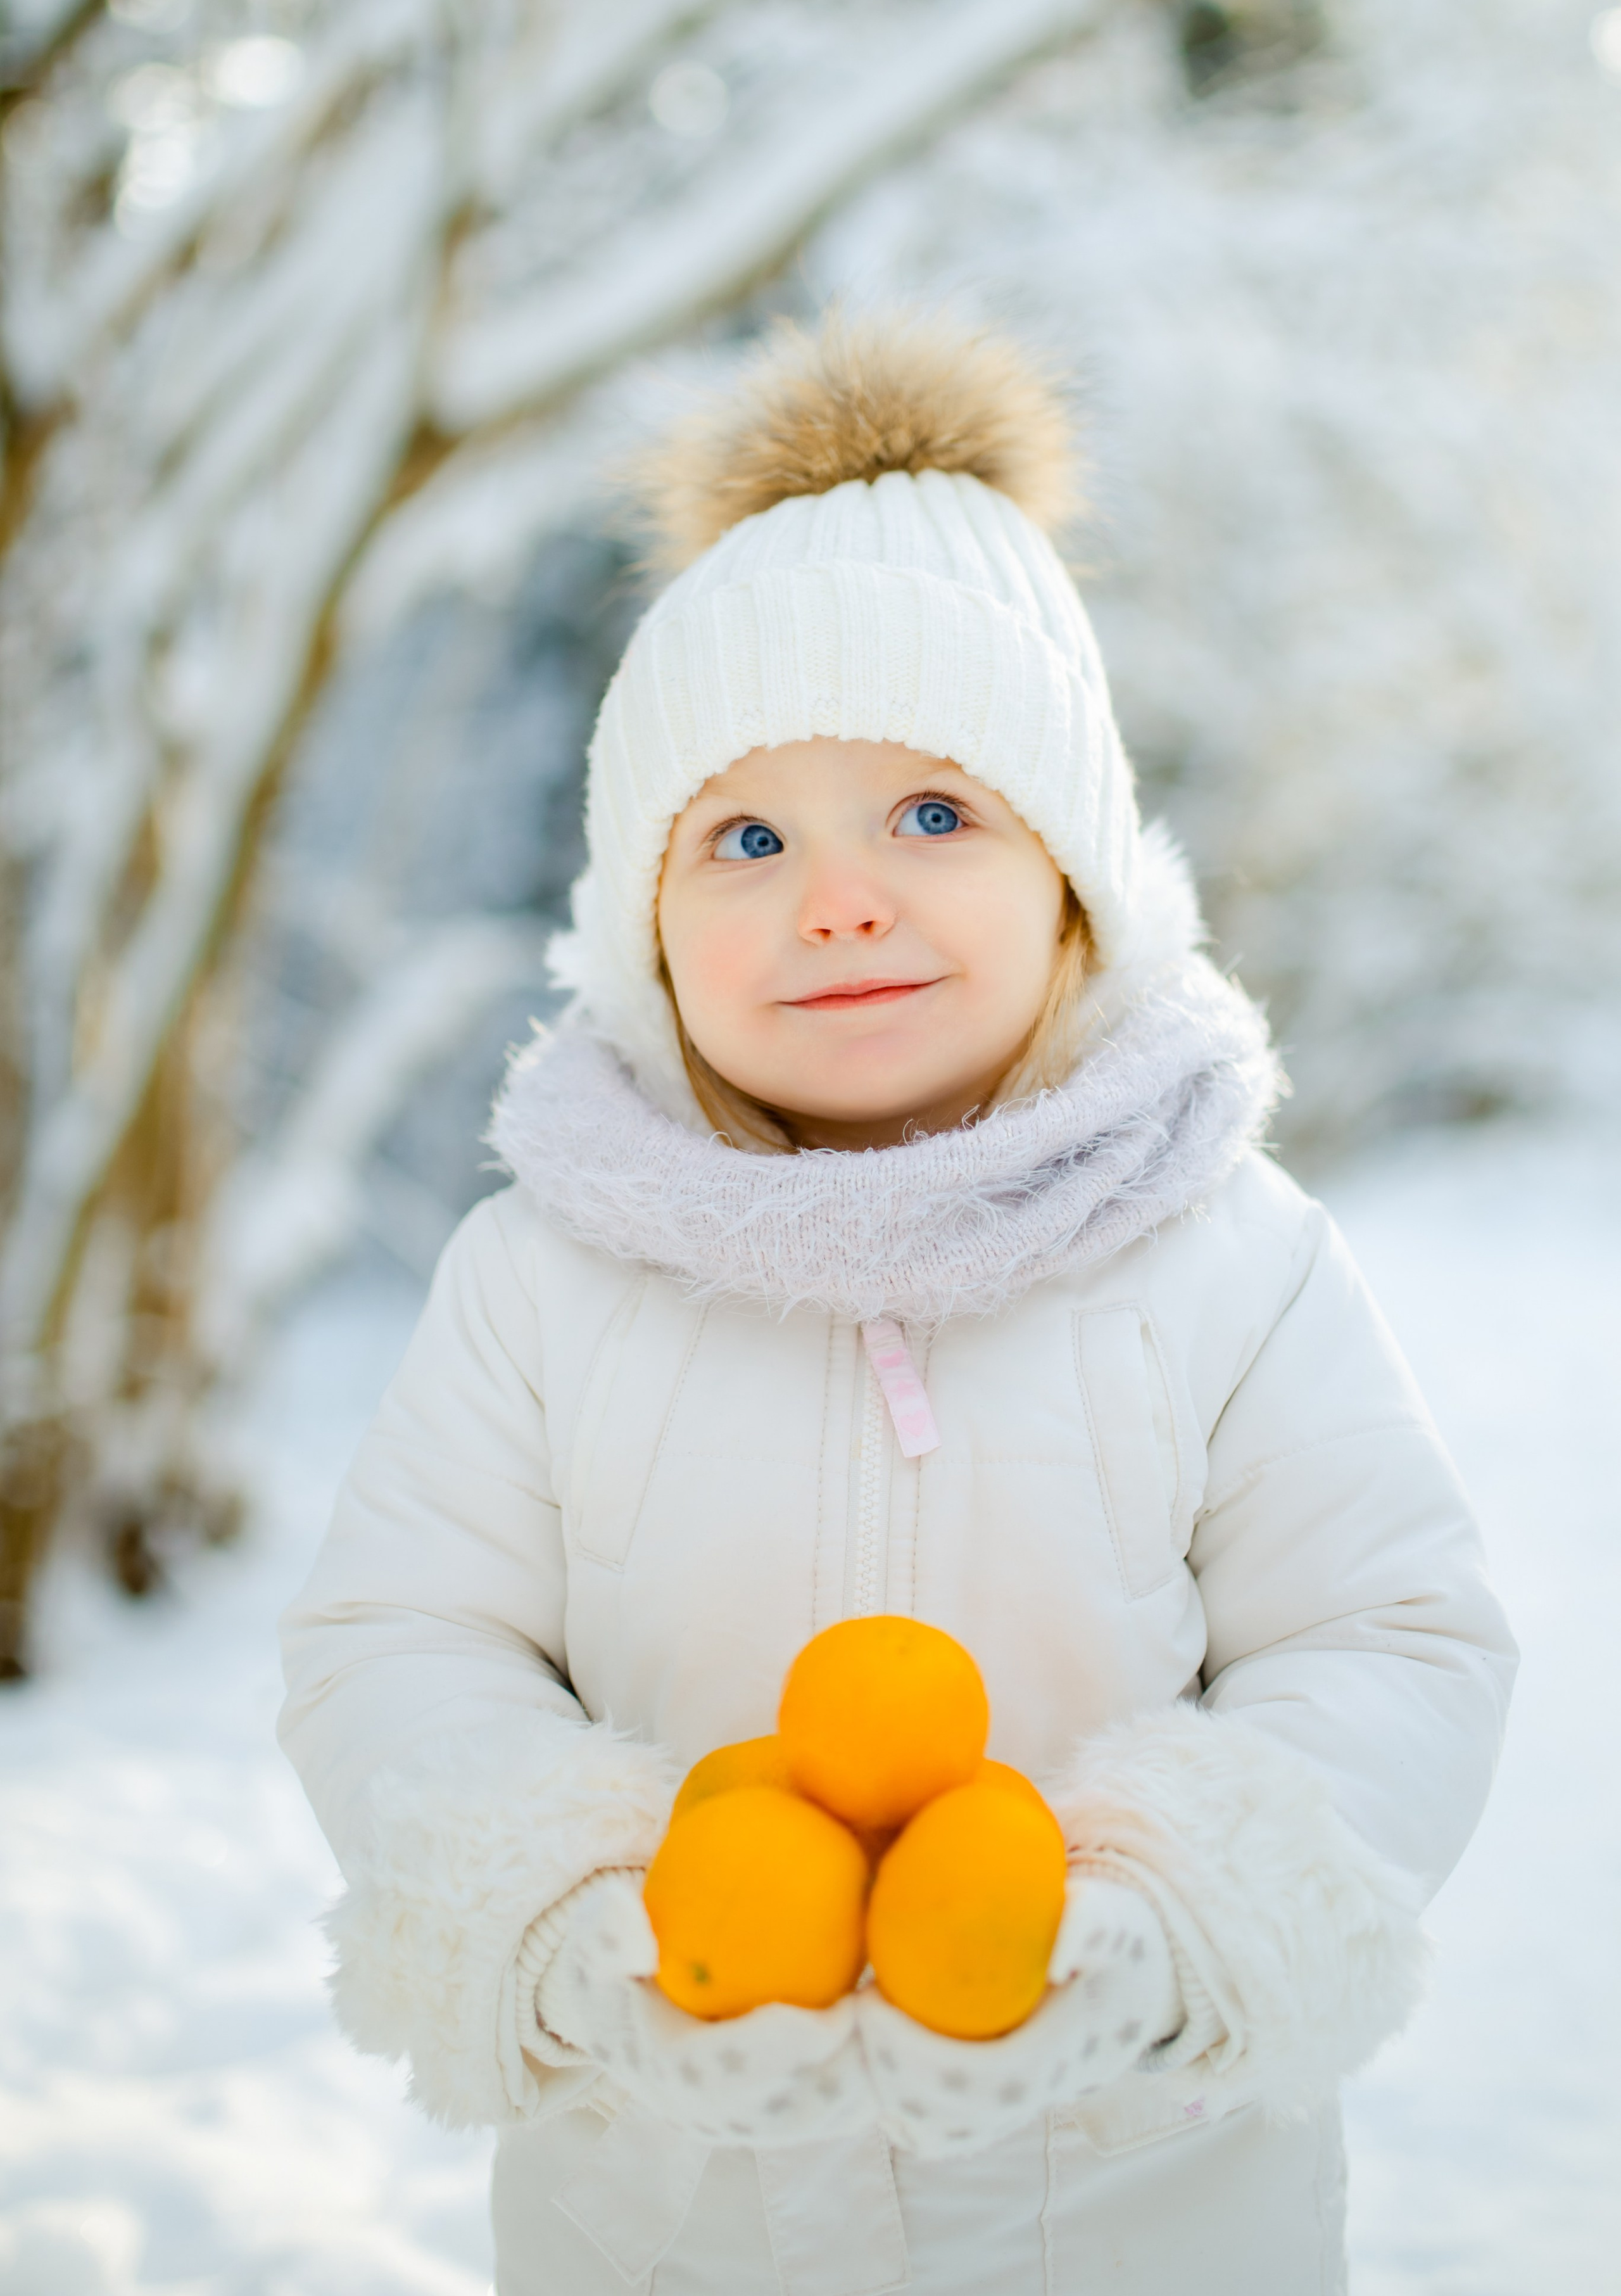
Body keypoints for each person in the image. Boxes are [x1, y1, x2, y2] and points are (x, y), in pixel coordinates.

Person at [279, 312, 1517, 2296]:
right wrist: (570, 1904)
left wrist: (1178, 1914)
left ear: (1076, 881)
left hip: (1141, 2212)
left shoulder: (1228, 1256)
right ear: (646, 924)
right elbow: (406, 1636)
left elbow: (1387, 1633)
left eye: (935, 814)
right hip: (668, 2213)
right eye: (746, 837)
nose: (839, 897)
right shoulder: (544, 1276)